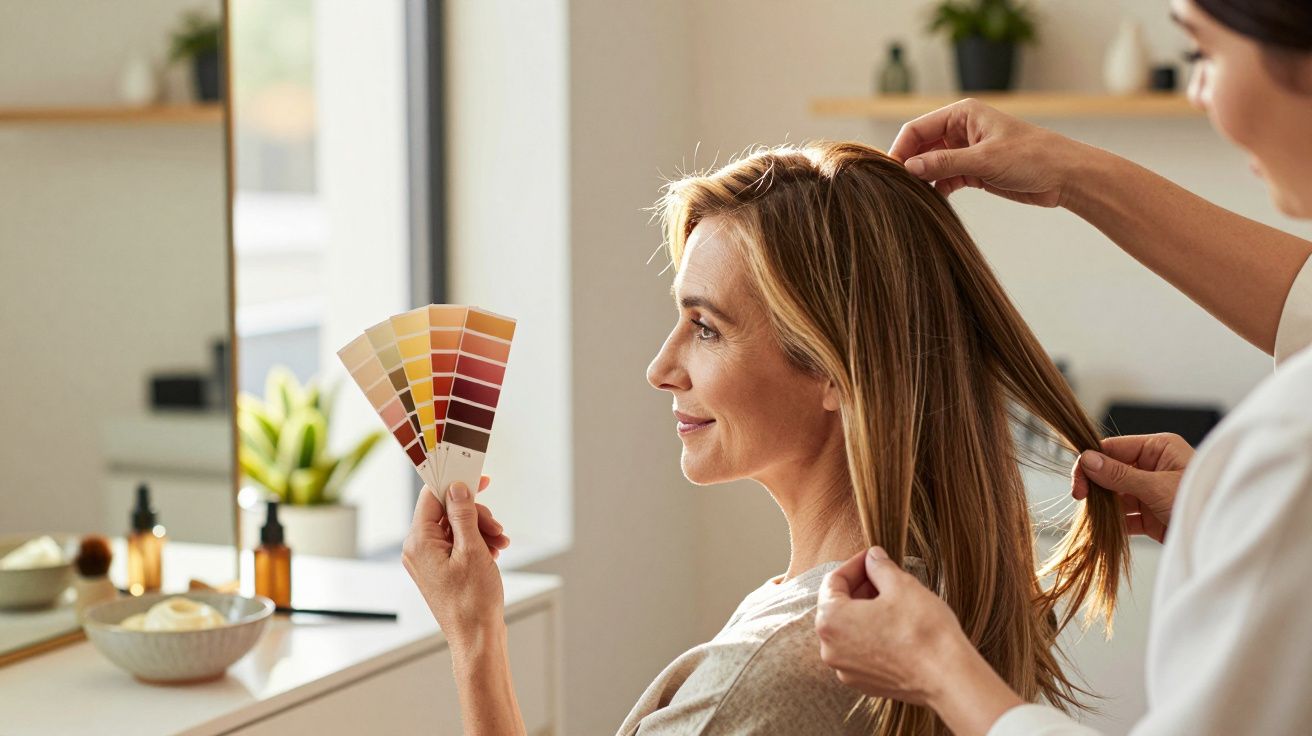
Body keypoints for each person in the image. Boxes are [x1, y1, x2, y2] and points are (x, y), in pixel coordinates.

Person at [401, 140, 1141, 735]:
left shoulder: (775, 672)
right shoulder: (942, 591)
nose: (660, 368)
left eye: (706, 327)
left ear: (834, 369)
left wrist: (473, 643)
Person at [814, 1, 1312, 734]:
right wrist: (1235, 513)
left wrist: (938, 670)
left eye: (1203, 52)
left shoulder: (1289, 451)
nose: (1196, 90)